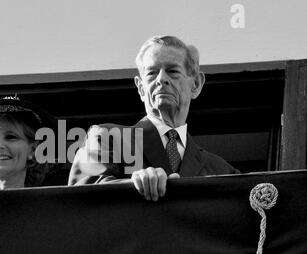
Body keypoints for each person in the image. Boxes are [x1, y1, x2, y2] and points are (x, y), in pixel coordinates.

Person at [68, 35, 239, 201]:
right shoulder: (106, 137)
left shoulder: (220, 169)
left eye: (172, 71)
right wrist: (133, 185)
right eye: (151, 73)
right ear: (141, 88)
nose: (161, 79)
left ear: (195, 84)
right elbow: (81, 196)